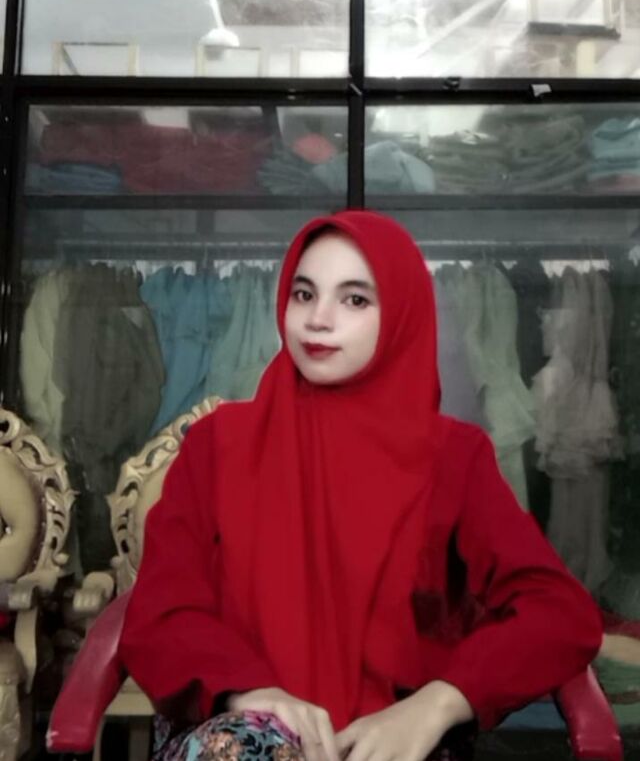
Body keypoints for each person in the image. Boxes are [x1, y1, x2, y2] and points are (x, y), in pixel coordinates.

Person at [119, 210, 602, 761]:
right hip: (237, 732)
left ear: (400, 314)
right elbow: (161, 612)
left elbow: (558, 613)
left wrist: (439, 703)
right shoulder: (217, 444)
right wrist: (250, 694)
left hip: (390, 743)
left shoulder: (453, 459)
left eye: (354, 300)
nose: (318, 319)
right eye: (303, 294)